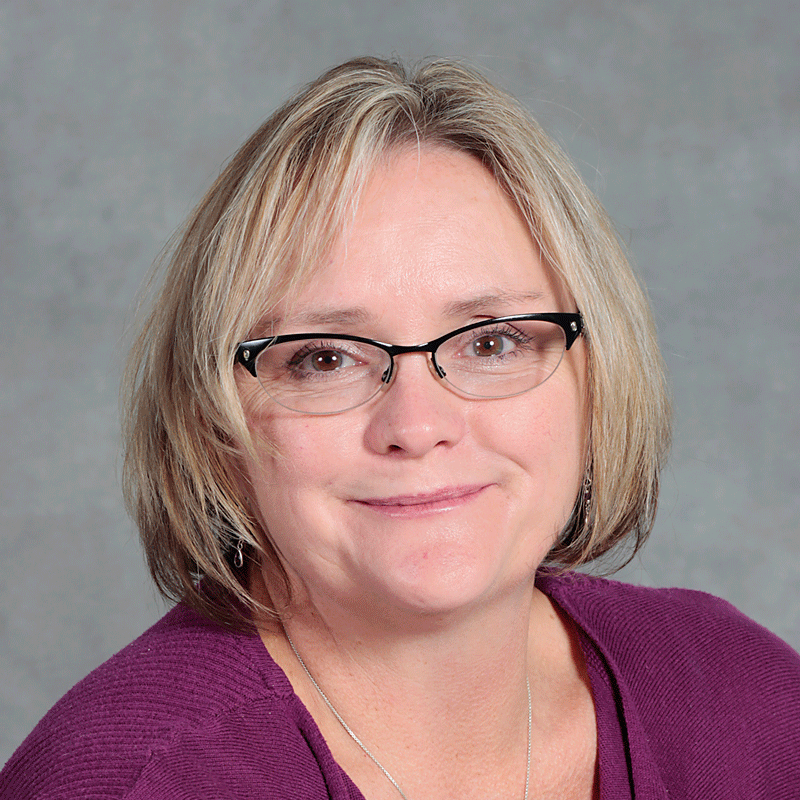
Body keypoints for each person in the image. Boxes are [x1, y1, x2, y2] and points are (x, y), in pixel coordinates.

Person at [2, 56, 798, 800]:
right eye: (322, 359)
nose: (416, 426)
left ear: (596, 378)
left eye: (493, 342)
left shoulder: (741, 699)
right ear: (215, 419)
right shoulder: (129, 779)